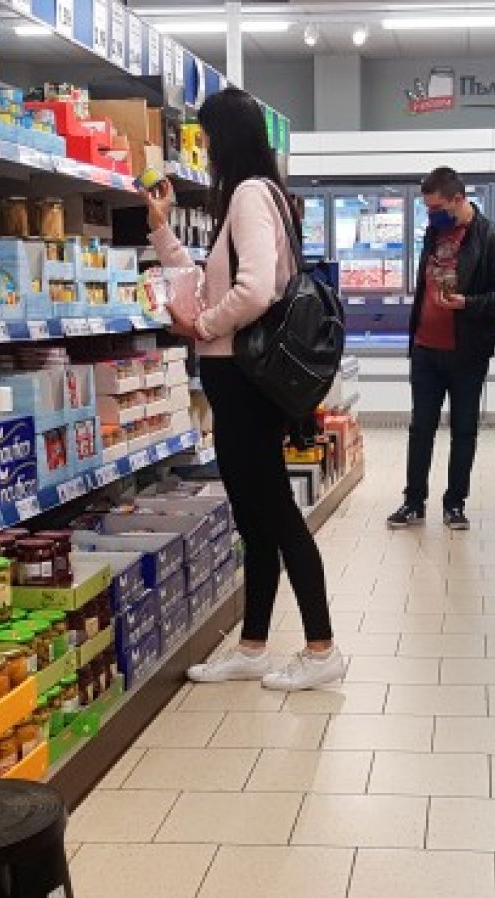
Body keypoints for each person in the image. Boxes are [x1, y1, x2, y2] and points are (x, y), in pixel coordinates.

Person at [144, 87, 344, 692]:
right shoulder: (254, 195)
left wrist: (203, 326)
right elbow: (212, 280)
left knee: (275, 513)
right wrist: (161, 229)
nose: (202, 150)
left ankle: (322, 649)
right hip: (238, 378)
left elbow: (255, 291)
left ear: (223, 138)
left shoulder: (252, 195)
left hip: (245, 380)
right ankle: (254, 645)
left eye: (205, 138)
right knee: (254, 518)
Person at [387, 167, 495, 531]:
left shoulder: (493, 238)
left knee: (463, 430)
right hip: (425, 349)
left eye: (437, 207)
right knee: (421, 429)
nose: (431, 215)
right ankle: (413, 502)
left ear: (458, 199)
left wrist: (467, 303)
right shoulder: (434, 233)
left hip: (467, 353)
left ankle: (455, 504)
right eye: (428, 208)